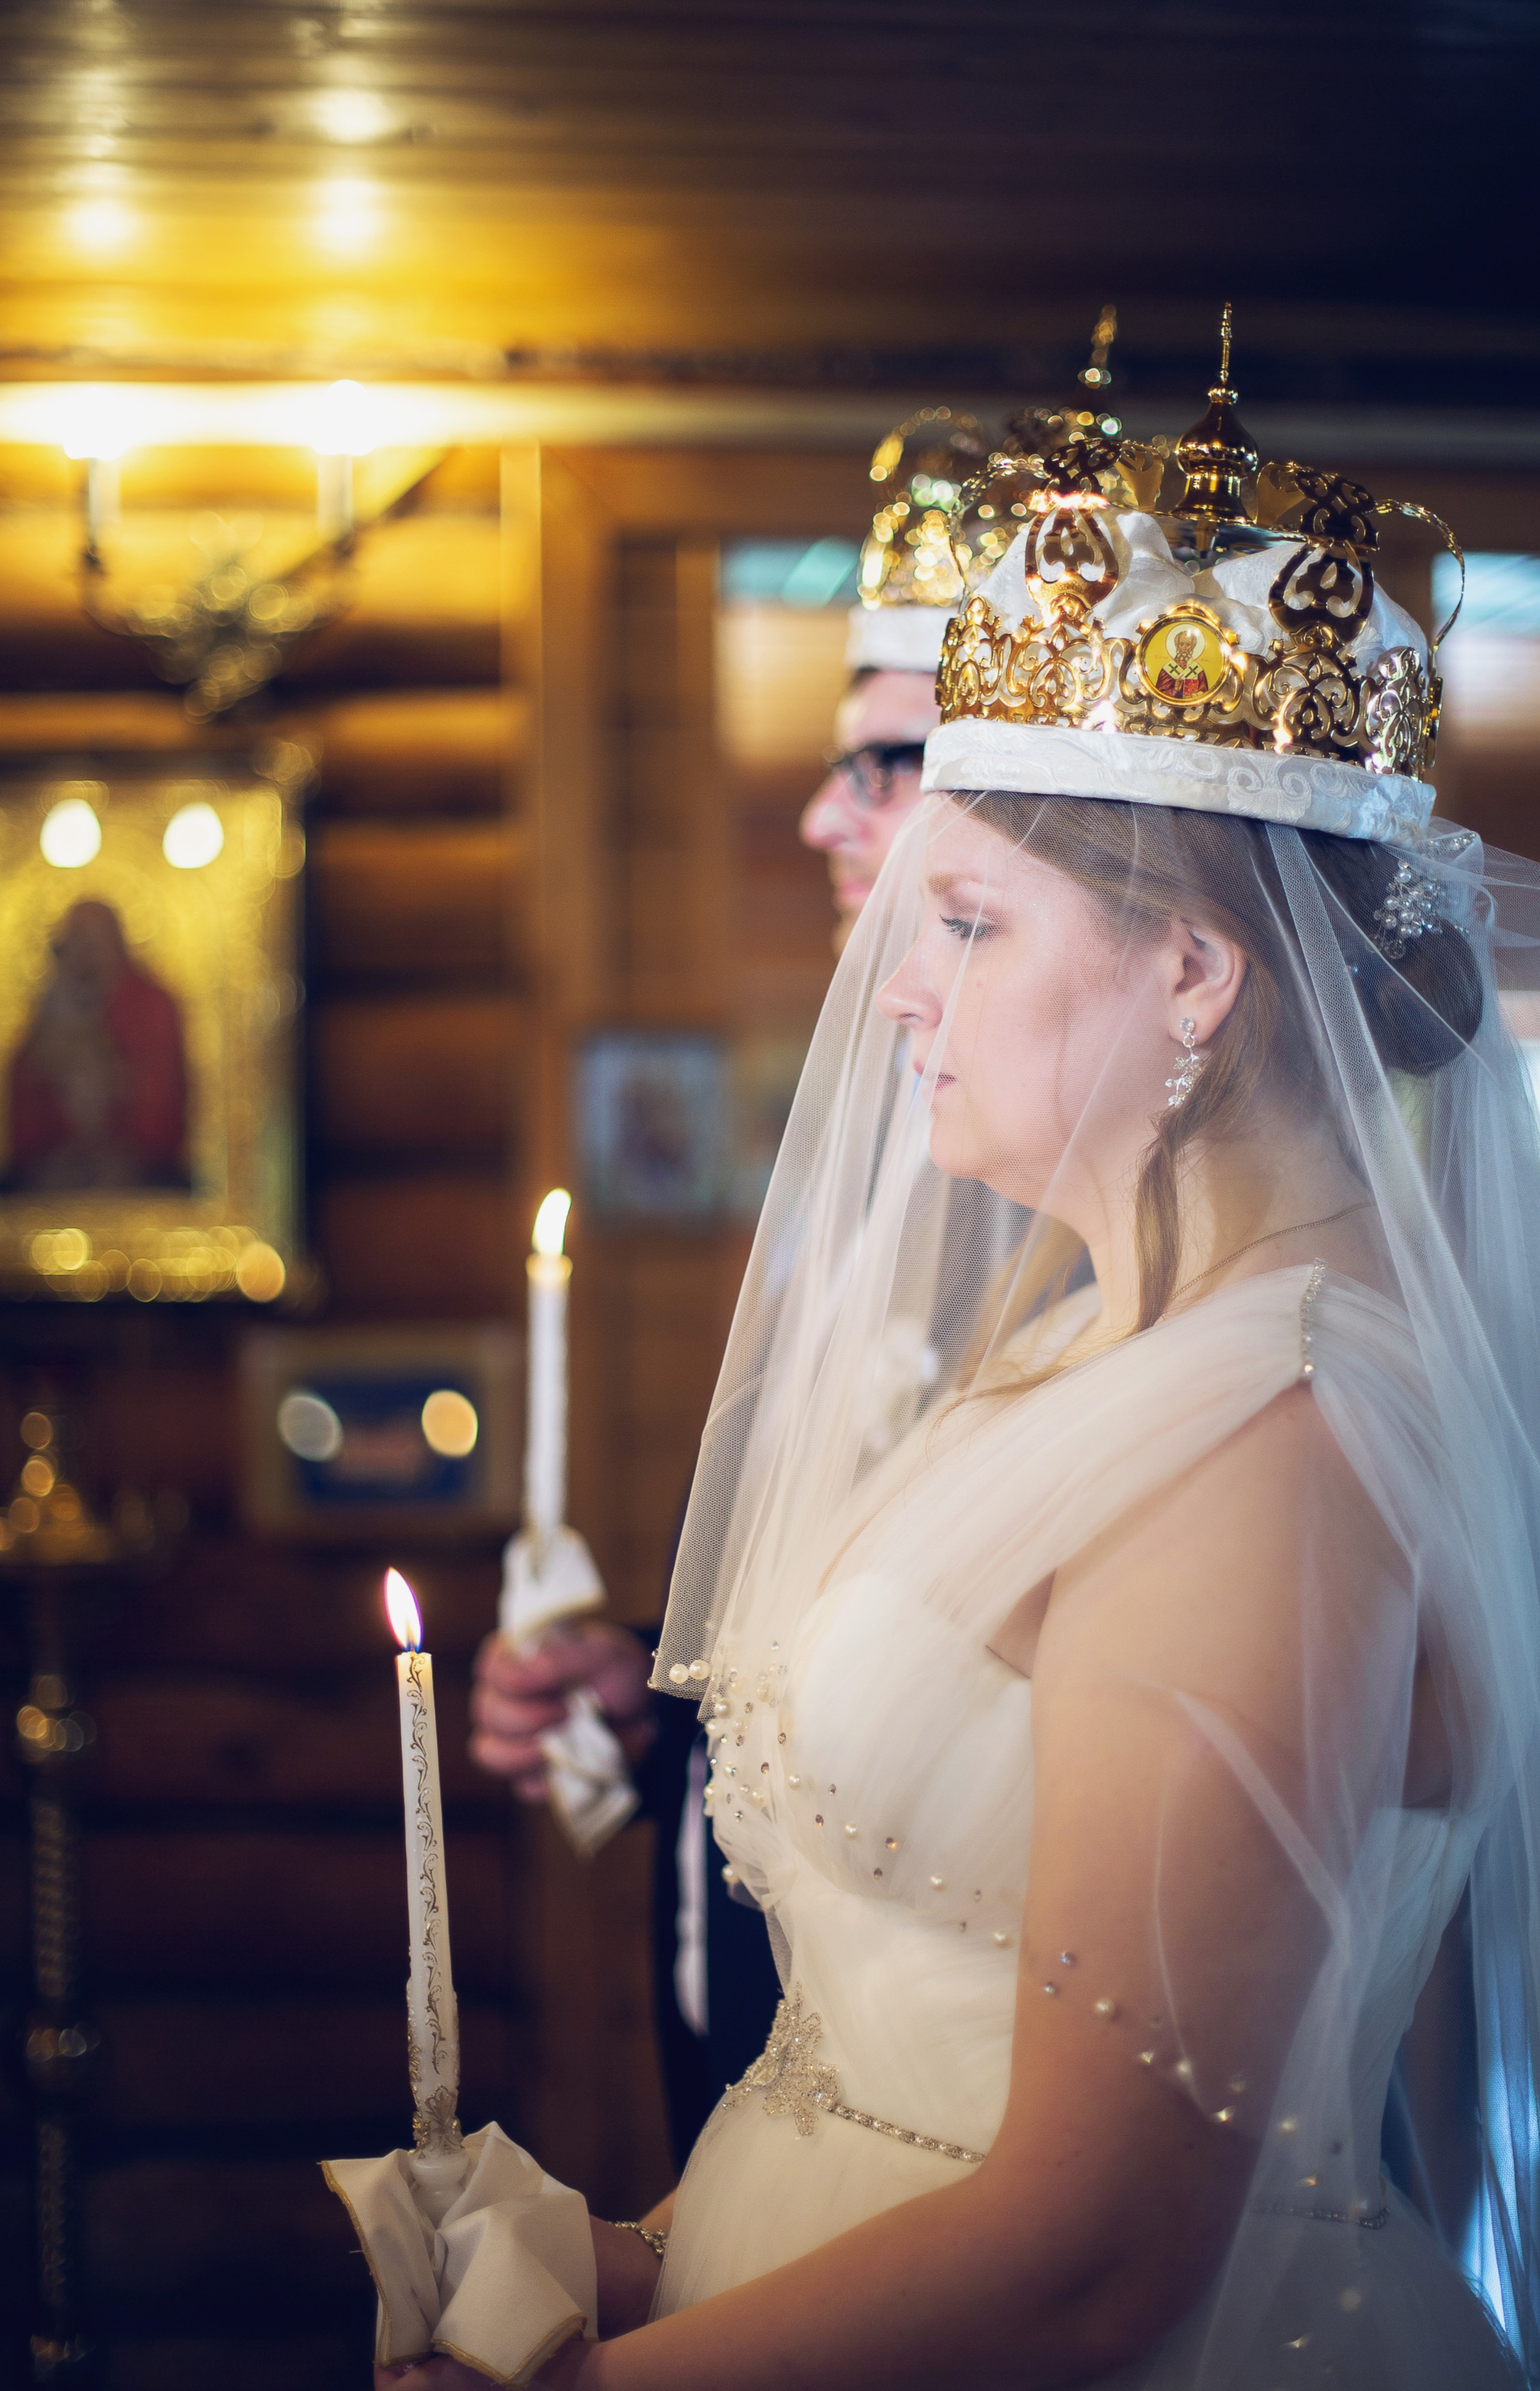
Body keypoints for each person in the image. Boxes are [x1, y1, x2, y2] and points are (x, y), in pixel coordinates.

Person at [405, 345, 1540, 2389]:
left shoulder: (1281, 1437)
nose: (900, 999)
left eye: (963, 921)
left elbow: (1098, 2251)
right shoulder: (1070, 1339)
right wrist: (618, 2257)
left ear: (1195, 972)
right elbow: (873, 2052)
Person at [468, 406, 990, 2168]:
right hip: (767, 2091)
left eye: (890, 759)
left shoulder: (1097, 1229)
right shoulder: (878, 1165)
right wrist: (646, 1693)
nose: (823, 809)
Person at [4, 897, 188, 1190]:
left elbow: (160, 1100)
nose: (86, 950)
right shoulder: (52, 999)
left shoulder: (150, 1004)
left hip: (134, 1162)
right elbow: (29, 1084)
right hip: (58, 1162)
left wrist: (113, 1079)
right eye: (77, 938)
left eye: (95, 937)